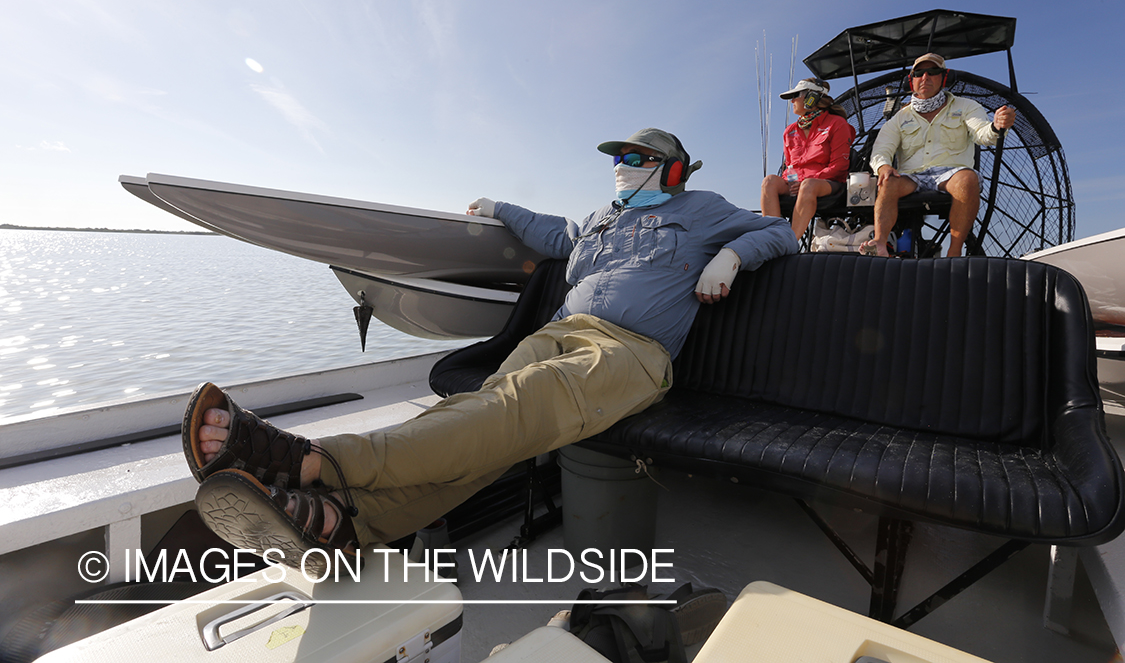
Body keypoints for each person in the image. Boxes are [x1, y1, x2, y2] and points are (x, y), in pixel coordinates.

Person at [184, 128, 798, 570]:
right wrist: (500, 208)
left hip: (630, 353)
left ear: (669, 169)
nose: (623, 166)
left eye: (637, 158)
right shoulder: (604, 216)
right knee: (484, 421)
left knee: (512, 405)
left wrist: (731, 255)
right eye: (618, 157)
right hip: (557, 332)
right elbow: (557, 234)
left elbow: (781, 230)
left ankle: (313, 462)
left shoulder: (706, 210)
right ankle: (347, 526)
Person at [862, 53, 1016, 257]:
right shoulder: (899, 118)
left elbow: (983, 134)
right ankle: (879, 243)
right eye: (919, 73)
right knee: (887, 181)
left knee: (968, 179)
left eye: (932, 72)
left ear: (943, 78)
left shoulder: (966, 106)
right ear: (912, 80)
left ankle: (954, 251)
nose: (925, 77)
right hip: (911, 176)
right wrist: (883, 167)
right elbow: (881, 150)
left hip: (951, 174)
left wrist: (997, 126)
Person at [760, 79, 856, 240]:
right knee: (769, 181)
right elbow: (789, 166)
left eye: (796, 95)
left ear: (811, 98)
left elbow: (839, 166)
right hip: (800, 184)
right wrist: (792, 183)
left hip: (828, 183)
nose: (792, 101)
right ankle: (773, 239)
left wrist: (806, 181)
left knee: (808, 185)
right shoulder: (789, 131)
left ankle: (790, 242)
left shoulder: (837, 124)